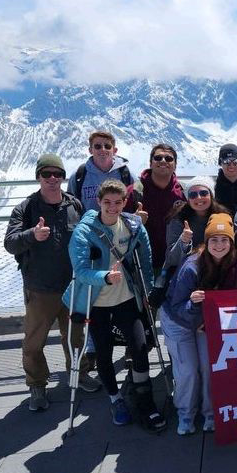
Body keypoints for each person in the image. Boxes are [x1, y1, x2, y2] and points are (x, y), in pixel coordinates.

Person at [64, 179, 165, 430]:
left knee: (140, 346)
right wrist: (105, 277)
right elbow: (80, 270)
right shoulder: (84, 231)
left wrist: (147, 290)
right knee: (104, 353)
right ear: (98, 202)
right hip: (96, 301)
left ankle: (144, 397)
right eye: (107, 202)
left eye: (118, 202)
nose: (112, 207)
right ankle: (115, 398)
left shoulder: (132, 225)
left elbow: (145, 256)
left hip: (126, 298)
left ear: (124, 202)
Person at [4, 154, 100, 410]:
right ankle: (37, 384)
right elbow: (10, 243)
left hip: (73, 285)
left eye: (58, 174)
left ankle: (78, 374)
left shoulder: (74, 205)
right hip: (40, 288)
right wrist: (32, 235)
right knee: (34, 342)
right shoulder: (25, 208)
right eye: (47, 174)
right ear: (39, 177)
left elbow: (88, 235)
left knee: (75, 337)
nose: (53, 179)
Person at [160, 213, 237, 435]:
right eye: (214, 239)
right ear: (207, 241)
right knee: (188, 370)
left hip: (205, 323)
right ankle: (185, 414)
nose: (219, 245)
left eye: (224, 240)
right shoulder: (192, 266)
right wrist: (194, 307)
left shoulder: (232, 263)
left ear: (231, 243)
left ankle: (210, 413)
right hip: (179, 321)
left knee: (209, 366)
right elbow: (177, 307)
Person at [124, 144, 185, 272]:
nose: (163, 161)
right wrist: (133, 221)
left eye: (168, 159)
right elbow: (117, 224)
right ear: (150, 163)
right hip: (141, 264)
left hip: (175, 264)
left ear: (175, 165)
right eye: (158, 158)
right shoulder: (133, 192)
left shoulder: (183, 193)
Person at [164, 176, 229, 272]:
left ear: (211, 195)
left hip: (217, 268)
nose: (198, 198)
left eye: (203, 193)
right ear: (188, 199)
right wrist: (184, 242)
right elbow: (172, 259)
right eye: (193, 195)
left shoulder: (223, 216)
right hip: (186, 270)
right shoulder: (178, 219)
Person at [67, 130, 136, 212]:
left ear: (114, 151)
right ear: (90, 150)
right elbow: (71, 207)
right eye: (97, 146)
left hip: (120, 224)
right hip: (88, 224)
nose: (103, 149)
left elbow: (139, 200)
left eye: (107, 146)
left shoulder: (126, 174)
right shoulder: (78, 175)